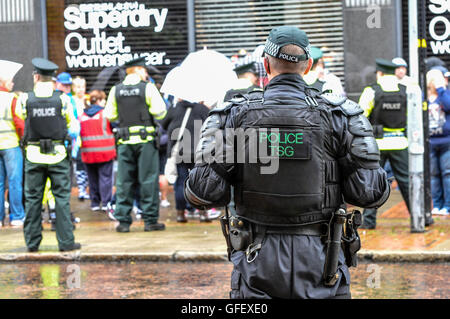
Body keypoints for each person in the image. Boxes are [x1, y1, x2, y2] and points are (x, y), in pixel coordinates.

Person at [184, 26, 390, 299]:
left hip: (256, 259)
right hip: (322, 257)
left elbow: (202, 192)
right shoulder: (342, 116)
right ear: (309, 67)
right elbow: (369, 193)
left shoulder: (231, 115)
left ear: (265, 64)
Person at [359, 58, 434, 228]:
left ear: (380, 73)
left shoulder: (372, 91)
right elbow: (414, 117)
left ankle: (369, 221)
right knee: (408, 182)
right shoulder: (406, 91)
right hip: (401, 143)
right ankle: (420, 217)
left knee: (374, 183)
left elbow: (360, 116)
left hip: (377, 145)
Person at [16, 58, 81, 252]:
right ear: (52, 79)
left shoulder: (25, 98)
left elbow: (20, 116)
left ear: (36, 77)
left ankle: (32, 243)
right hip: (58, 154)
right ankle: (66, 242)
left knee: (33, 199)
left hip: (33, 155)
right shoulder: (62, 99)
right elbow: (73, 125)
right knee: (61, 199)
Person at [105, 56, 167, 232]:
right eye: (144, 70)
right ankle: (150, 221)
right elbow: (160, 111)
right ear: (138, 69)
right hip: (146, 141)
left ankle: (123, 221)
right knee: (148, 180)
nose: (146, 73)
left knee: (124, 181)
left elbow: (110, 115)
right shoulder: (147, 88)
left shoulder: (116, 90)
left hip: (124, 142)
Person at [160, 99, 211, 223]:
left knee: (181, 183)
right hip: (198, 151)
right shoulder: (202, 109)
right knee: (200, 182)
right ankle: (203, 213)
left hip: (180, 151)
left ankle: (180, 214)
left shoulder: (175, 108)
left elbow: (163, 125)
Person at [79, 90, 116, 213]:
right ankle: (106, 203)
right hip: (105, 152)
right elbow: (114, 126)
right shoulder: (106, 114)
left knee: (92, 178)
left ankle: (95, 203)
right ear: (99, 100)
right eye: (104, 100)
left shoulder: (82, 116)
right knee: (105, 178)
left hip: (88, 152)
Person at [55, 72, 89, 201]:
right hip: (63, 141)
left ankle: (65, 202)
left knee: (72, 171)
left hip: (74, 141)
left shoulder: (73, 99)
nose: (67, 87)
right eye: (65, 85)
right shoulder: (62, 99)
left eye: (69, 85)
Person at [0, 60, 26, 227]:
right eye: (10, 81)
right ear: (3, 82)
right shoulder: (12, 99)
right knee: (15, 181)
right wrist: (22, 138)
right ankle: (16, 216)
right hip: (10, 145)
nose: (13, 83)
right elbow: (20, 123)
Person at [427, 68, 450, 216]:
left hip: (446, 141)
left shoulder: (445, 94)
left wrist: (441, 89)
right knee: (434, 175)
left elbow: (448, 106)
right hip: (430, 143)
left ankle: (447, 206)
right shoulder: (425, 96)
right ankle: (437, 204)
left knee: (447, 174)